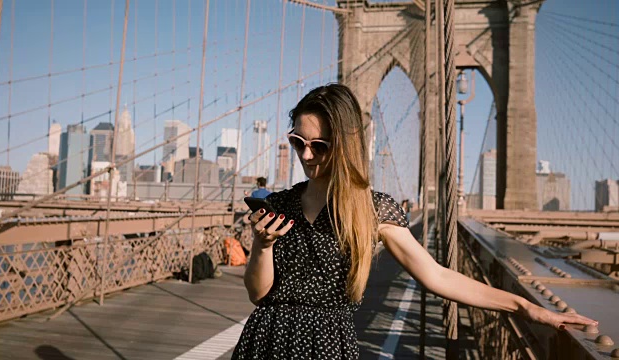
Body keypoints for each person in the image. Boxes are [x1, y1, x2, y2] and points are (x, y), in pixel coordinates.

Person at [233, 84, 596, 359]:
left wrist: (525, 307)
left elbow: (436, 275)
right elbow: (258, 293)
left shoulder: (371, 211)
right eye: (298, 142)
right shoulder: (280, 204)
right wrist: (262, 247)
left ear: (345, 144)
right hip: (265, 339)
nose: (307, 155)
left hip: (328, 345)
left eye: (320, 146)